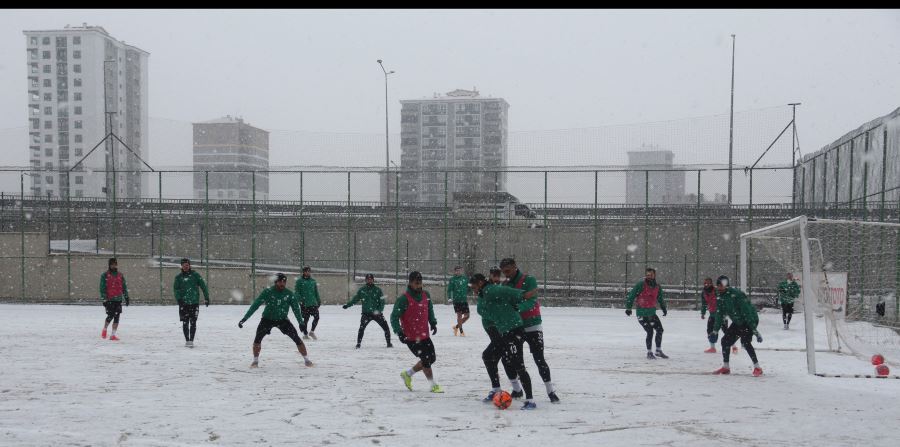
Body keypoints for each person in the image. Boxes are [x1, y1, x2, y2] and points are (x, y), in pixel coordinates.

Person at [471, 273, 538, 410]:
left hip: (514, 330)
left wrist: (522, 294)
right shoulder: (484, 294)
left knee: (518, 364)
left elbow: (504, 291)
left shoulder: (490, 290)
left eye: (473, 286)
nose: (472, 289)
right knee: (494, 357)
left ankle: (530, 400)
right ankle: (501, 389)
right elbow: (487, 309)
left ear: (479, 283)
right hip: (505, 331)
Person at [501, 257, 560, 403]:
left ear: (515, 266)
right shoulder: (505, 284)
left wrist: (516, 308)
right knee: (512, 360)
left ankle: (550, 390)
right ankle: (517, 389)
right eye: (504, 272)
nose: (506, 274)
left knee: (539, 359)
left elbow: (532, 301)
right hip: (515, 327)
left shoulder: (529, 280)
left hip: (533, 325)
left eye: (508, 271)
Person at [238, 273, 313, 368]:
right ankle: (255, 361)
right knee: (257, 340)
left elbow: (296, 309)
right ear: (276, 282)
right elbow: (256, 305)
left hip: (283, 320)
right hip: (267, 319)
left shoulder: (289, 294)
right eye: (280, 281)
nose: (282, 284)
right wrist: (245, 318)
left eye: (284, 281)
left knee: (297, 339)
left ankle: (307, 360)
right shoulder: (268, 292)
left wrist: (301, 323)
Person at [391, 271, 443, 393]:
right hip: (411, 338)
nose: (418, 286)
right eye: (416, 283)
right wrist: (399, 332)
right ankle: (433, 385)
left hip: (424, 335)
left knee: (431, 359)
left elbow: (429, 309)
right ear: (410, 283)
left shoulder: (426, 295)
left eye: (420, 283)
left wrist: (433, 322)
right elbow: (394, 317)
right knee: (425, 360)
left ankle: (407, 374)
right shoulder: (403, 299)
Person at [711, 275, 763, 377]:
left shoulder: (737, 295)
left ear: (727, 286)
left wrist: (755, 331)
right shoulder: (720, 296)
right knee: (725, 341)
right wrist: (715, 331)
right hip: (738, 321)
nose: (719, 288)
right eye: (718, 285)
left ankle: (758, 368)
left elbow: (747, 312)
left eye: (721, 285)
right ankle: (726, 367)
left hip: (749, 319)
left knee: (745, 342)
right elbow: (719, 314)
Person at [625, 267, 669, 359]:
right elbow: (631, 295)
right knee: (650, 331)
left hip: (652, 313)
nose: (649, 276)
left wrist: (664, 308)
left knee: (660, 330)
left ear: (654, 275)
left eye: (651, 275)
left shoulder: (657, 286)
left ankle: (658, 350)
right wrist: (628, 308)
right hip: (642, 314)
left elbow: (660, 298)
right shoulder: (641, 284)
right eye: (647, 275)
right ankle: (649, 352)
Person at [343, 273, 392, 348]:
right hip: (366, 314)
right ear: (365, 280)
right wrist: (348, 305)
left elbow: (382, 302)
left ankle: (389, 343)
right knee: (361, 328)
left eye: (371, 279)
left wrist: (379, 311)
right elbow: (355, 299)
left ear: (373, 280)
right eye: (368, 279)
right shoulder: (362, 290)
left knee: (386, 328)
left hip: (377, 314)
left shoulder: (378, 290)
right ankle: (358, 344)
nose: (369, 281)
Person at [173, 258, 210, 348]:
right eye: (184, 265)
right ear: (181, 266)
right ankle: (187, 340)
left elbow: (203, 286)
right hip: (183, 303)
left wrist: (206, 298)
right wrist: (179, 299)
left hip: (194, 303)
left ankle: (191, 340)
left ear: (189, 266)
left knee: (193, 322)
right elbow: (176, 289)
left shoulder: (195, 275)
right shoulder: (178, 277)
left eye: (187, 265)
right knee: (185, 322)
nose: (186, 266)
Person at [99, 257, 129, 341]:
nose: (114, 266)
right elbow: (102, 288)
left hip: (118, 299)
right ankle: (104, 329)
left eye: (115, 264)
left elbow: (124, 286)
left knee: (117, 316)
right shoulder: (105, 275)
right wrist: (104, 299)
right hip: (109, 299)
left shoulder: (120, 275)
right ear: (109, 265)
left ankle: (113, 335)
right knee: (110, 315)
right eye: (112, 264)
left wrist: (126, 297)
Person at [700, 277, 728, 353]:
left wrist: (725, 312)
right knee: (710, 330)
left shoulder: (717, 290)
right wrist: (703, 313)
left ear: (711, 283)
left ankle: (733, 346)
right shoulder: (703, 293)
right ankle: (712, 347)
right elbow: (704, 304)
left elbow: (724, 300)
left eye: (709, 283)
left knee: (726, 330)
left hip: (721, 314)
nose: (707, 284)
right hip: (712, 315)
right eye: (705, 283)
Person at [295, 266, 321, 340]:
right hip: (305, 304)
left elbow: (316, 292)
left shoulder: (313, 281)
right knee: (306, 319)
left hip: (313, 303)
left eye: (309, 271)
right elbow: (297, 292)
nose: (308, 273)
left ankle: (312, 332)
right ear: (303, 272)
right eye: (306, 271)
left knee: (317, 317)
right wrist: (300, 300)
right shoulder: (299, 281)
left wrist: (318, 301)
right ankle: (305, 334)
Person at [447, 266, 470, 336]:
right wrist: (449, 298)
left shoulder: (465, 279)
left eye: (459, 270)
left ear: (461, 271)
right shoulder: (452, 280)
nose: (458, 272)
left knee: (467, 316)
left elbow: (469, 286)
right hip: (457, 300)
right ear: (455, 271)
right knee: (459, 316)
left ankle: (456, 327)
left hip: (464, 300)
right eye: (457, 270)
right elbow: (449, 290)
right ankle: (461, 331)